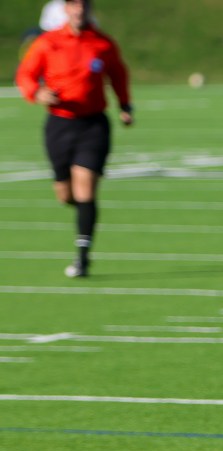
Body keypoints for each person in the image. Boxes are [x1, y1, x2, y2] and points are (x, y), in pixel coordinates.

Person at [15, 0, 132, 279]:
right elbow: (25, 75)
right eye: (73, 5)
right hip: (59, 124)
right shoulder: (48, 42)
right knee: (66, 194)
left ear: (89, 10)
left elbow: (118, 74)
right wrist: (37, 93)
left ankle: (82, 258)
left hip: (93, 125)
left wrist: (125, 106)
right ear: (66, 9)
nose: (79, 10)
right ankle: (81, 209)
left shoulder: (102, 43)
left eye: (83, 5)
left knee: (86, 188)